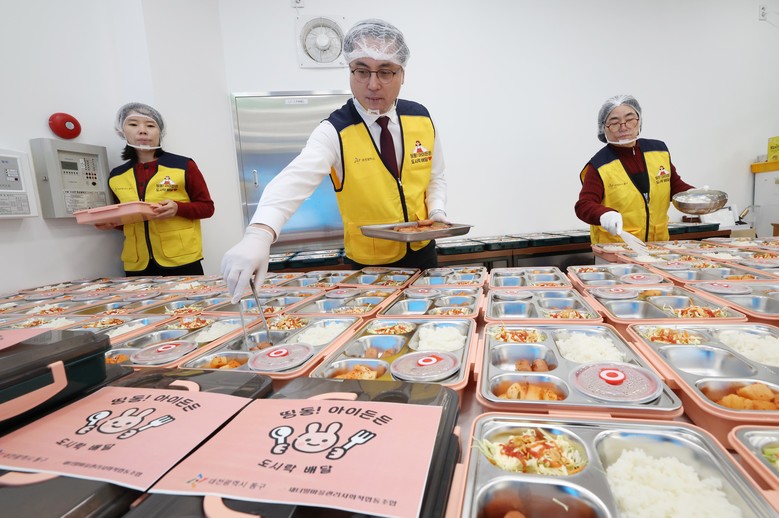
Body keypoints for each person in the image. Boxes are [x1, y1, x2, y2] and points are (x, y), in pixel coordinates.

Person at [221, 19, 448, 302]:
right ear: (349, 71)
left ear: (402, 73)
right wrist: (259, 233)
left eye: (385, 72)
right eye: (361, 71)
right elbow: (293, 181)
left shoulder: (421, 117)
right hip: (369, 265)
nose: (373, 84)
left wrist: (437, 209)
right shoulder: (334, 131)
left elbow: (435, 176)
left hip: (424, 252)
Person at [95, 102, 215, 276]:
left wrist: (177, 208)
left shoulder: (183, 165)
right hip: (137, 264)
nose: (142, 131)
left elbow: (207, 208)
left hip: (181, 260)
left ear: (160, 132)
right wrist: (113, 223)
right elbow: (127, 219)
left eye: (150, 125)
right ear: (121, 131)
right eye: (133, 124)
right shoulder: (116, 175)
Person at [575, 94, 695, 244]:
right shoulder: (599, 165)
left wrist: (695, 195)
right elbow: (583, 205)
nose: (623, 127)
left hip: (657, 247)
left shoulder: (658, 151)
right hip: (616, 250)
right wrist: (604, 215)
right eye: (614, 122)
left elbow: (674, 186)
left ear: (639, 121)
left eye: (630, 119)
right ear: (604, 128)